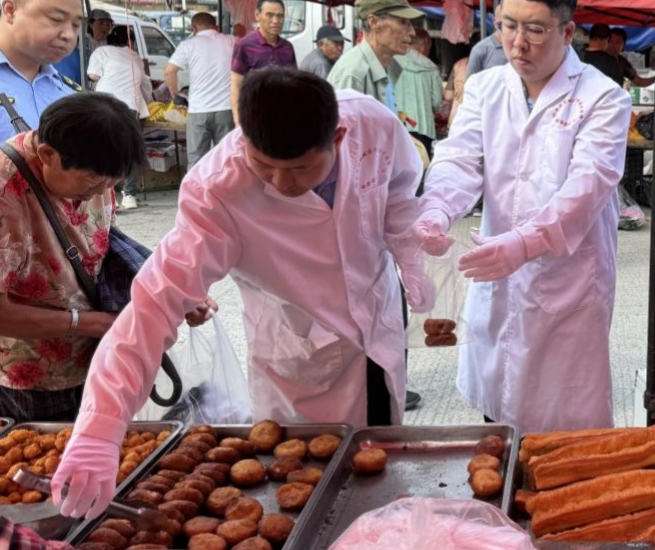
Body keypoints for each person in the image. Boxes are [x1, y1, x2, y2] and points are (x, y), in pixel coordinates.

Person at [52, 67, 435, 520]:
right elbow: (153, 308)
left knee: (380, 462)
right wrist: (100, 427)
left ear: (338, 137)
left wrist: (413, 258)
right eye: (263, 165)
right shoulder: (216, 190)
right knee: (306, 487)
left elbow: (397, 192)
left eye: (299, 169)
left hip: (377, 313)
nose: (281, 183)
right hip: (301, 347)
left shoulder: (370, 123)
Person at [413, 0, 631, 433]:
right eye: (508, 26)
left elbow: (588, 185)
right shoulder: (487, 86)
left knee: (561, 421)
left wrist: (524, 243)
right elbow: (461, 156)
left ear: (568, 31)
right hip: (499, 270)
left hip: (568, 278)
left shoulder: (602, 98)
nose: (517, 42)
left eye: (535, 29)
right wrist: (438, 207)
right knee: (497, 409)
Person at [0, 93, 169, 420]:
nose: (103, 188)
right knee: (48, 465)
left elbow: (102, 244)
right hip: (31, 376)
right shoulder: (2, 191)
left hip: (94, 358)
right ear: (47, 154)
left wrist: (169, 294)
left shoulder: (96, 168)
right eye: (93, 179)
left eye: (113, 179)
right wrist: (88, 323)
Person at [0, 0, 86, 143]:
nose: (68, 35)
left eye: (75, 25)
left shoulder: (71, 94)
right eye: (56, 19)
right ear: (10, 10)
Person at [87, 26, 152, 211]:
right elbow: (143, 83)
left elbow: (92, 75)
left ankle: (104, 195)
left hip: (105, 106)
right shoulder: (135, 57)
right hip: (132, 107)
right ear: (130, 41)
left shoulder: (102, 51)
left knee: (104, 149)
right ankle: (129, 195)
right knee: (130, 151)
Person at [327, 0, 420, 113]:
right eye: (403, 22)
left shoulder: (387, 65)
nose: (412, 32)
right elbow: (343, 131)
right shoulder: (353, 74)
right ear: (374, 22)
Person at [165, 13, 237, 167]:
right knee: (226, 159)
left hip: (198, 110)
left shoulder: (188, 44)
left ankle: (195, 191)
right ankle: (224, 191)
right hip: (226, 109)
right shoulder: (231, 41)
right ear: (216, 26)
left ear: (194, 28)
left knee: (197, 160)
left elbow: (169, 71)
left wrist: (175, 93)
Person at [229, 0, 296, 124]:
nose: (275, 21)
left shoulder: (287, 47)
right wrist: (238, 121)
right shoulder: (244, 45)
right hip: (254, 117)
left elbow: (293, 83)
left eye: (280, 16)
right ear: (257, 15)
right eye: (269, 15)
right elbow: (236, 85)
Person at [395, 27, 443, 156]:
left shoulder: (392, 61)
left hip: (397, 125)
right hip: (423, 128)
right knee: (421, 169)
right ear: (425, 43)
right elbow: (436, 102)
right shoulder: (430, 67)